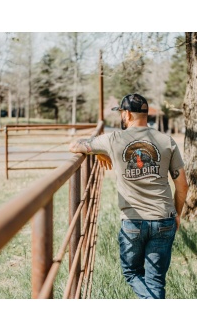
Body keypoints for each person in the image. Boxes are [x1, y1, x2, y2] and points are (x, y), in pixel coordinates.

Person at [69, 93, 188, 299]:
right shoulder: (166, 140)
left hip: (133, 221)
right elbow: (182, 185)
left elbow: (75, 145)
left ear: (126, 114)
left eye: (122, 114)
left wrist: (96, 150)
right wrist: (177, 213)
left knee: (132, 272)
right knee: (156, 280)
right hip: (164, 218)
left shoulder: (113, 139)